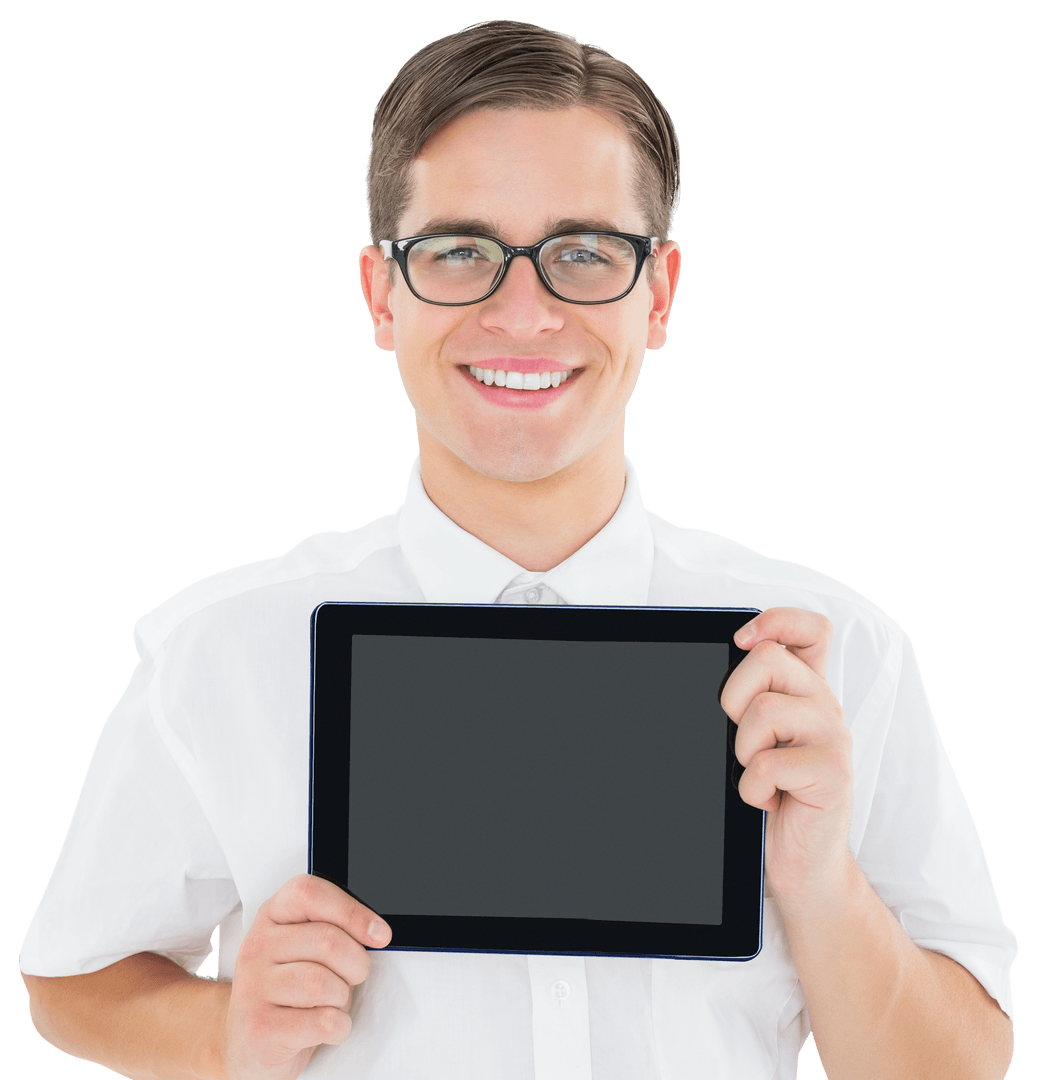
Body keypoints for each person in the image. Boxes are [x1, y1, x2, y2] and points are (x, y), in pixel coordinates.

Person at [20, 19, 1015, 1080]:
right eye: (460, 251)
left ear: (658, 294)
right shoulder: (221, 647)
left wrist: (822, 888)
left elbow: (959, 1063)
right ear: (382, 295)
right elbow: (73, 984)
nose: (523, 313)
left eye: (583, 253)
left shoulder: (828, 654)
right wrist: (226, 1036)